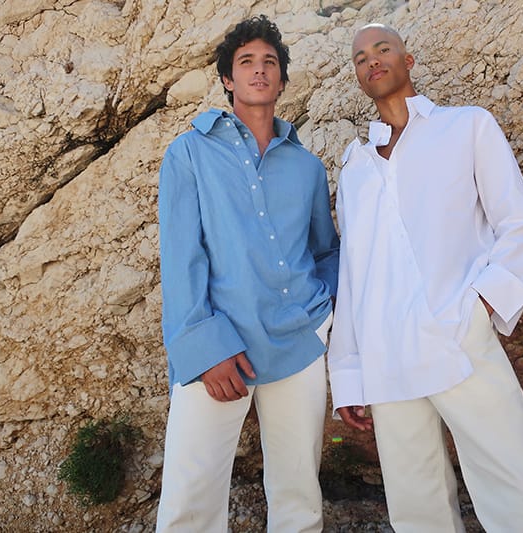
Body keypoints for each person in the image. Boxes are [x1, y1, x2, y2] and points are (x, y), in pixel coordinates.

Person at [327, 23, 523, 532]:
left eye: (383, 49)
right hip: (387, 354)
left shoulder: (466, 127)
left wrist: (480, 308)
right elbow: (353, 273)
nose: (372, 60)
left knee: (516, 481)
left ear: (407, 60)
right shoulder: (355, 169)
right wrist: (348, 373)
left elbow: (518, 224)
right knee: (416, 506)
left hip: (459, 336)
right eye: (361, 58)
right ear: (359, 77)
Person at [155, 15, 339, 532]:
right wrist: (203, 345)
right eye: (246, 62)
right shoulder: (189, 153)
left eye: (270, 63)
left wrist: (322, 312)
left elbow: (326, 250)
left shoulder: (306, 167)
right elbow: (181, 256)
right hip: (220, 347)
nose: (259, 70)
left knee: (299, 494)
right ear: (228, 79)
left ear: (281, 81)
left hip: (299, 342)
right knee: (190, 498)